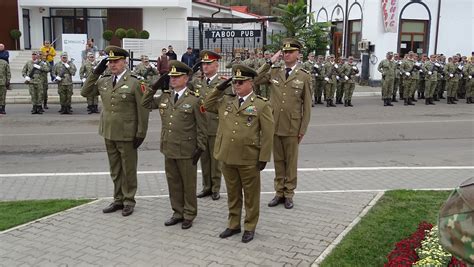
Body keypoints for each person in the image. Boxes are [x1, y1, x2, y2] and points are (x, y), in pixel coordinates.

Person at [204, 64, 274, 243]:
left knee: (251, 196)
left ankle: (250, 226)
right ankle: (233, 224)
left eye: (241, 82)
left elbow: (267, 134)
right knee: (233, 194)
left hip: (248, 158)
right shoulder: (226, 101)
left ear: (251, 83)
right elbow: (206, 104)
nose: (237, 85)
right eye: (235, 82)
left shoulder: (260, 104)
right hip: (227, 157)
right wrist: (219, 87)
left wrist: (264, 157)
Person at [81, 46, 150, 216]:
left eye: (116, 61)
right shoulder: (103, 80)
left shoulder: (135, 82)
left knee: (128, 169)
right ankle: (118, 199)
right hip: (108, 131)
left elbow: (143, 109)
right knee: (115, 168)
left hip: (127, 133)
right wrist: (95, 72)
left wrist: (141, 132)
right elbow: (85, 92)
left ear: (124, 62)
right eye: (110, 62)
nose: (113, 65)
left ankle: (129, 200)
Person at [141, 60, 206, 229]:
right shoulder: (165, 96)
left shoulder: (194, 100)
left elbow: (202, 126)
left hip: (186, 149)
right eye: (171, 77)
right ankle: (177, 212)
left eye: (177, 77)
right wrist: (153, 87)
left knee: (188, 183)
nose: (173, 80)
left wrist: (200, 147)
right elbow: (145, 103)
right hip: (169, 147)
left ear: (185, 78)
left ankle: (189, 213)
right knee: (173, 182)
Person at [254, 38, 312, 209]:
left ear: (298, 55)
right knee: (278, 160)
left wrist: (302, 129)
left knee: (291, 161)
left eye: (290, 52)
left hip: (292, 126)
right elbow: (254, 79)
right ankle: (278, 192)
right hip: (274, 124)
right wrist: (269, 61)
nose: (286, 55)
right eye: (284, 52)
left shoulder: (304, 76)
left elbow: (307, 106)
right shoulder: (275, 71)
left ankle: (289, 194)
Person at [192, 50, 231, 200]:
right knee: (204, 159)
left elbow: (227, 104)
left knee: (216, 160)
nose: (205, 67)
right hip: (201, 126)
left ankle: (215, 188)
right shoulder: (198, 82)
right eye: (203, 64)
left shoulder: (222, 83)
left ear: (216, 65)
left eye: (208, 64)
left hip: (216, 126)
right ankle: (206, 187)